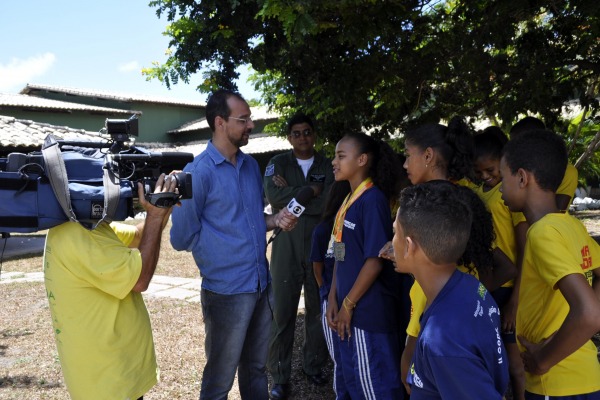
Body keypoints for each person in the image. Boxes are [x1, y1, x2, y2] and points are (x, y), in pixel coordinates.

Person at [169, 90, 298, 400]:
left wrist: (274, 220)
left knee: (256, 369)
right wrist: (218, 250)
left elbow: (251, 218)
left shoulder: (251, 166)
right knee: (219, 381)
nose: (250, 124)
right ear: (220, 122)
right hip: (225, 292)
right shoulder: (196, 174)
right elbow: (181, 238)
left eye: (249, 118)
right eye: (244, 119)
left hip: (260, 283)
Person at [380, 116, 502, 394]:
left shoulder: (420, 203)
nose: (404, 164)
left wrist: (409, 350)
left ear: (428, 155)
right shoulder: (465, 198)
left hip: (431, 318)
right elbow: (500, 263)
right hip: (463, 311)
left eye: (408, 155)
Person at [44, 173, 180, 399]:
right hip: (107, 383)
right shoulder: (78, 235)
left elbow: (138, 236)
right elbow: (140, 280)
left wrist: (163, 206)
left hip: (109, 375)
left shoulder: (83, 227)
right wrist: (155, 216)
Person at [500, 129, 600, 399]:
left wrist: (543, 359)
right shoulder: (571, 225)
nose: (499, 188)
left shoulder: (542, 233)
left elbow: (590, 313)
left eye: (502, 178)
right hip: (585, 374)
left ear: (521, 178)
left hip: (555, 384)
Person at [392, 181, 509, 398]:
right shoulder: (471, 287)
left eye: (394, 233)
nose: (392, 241)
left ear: (409, 246)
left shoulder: (443, 343)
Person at [326, 131, 408, 399]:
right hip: (350, 308)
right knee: (357, 384)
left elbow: (374, 261)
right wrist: (333, 296)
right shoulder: (349, 200)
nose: (334, 162)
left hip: (367, 313)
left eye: (341, 156)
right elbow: (340, 251)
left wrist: (348, 304)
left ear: (362, 160)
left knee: (376, 386)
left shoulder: (372, 200)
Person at [263, 113, 334, 399]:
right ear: (289, 137)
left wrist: (298, 195)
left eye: (307, 131)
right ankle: (279, 376)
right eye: (296, 133)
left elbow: (331, 199)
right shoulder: (277, 163)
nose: (302, 137)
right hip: (286, 248)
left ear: (314, 134)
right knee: (282, 312)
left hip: (319, 248)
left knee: (317, 310)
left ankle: (313, 365)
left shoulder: (328, 164)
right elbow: (273, 197)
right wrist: (310, 190)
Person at [474, 131, 527, 400]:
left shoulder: (509, 196)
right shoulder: (477, 191)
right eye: (479, 171)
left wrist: (514, 302)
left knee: (514, 360)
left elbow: (525, 246)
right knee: (493, 357)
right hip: (487, 284)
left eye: (490, 170)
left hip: (508, 286)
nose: (485, 176)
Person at [309, 180, 351, 398]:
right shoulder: (324, 229)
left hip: (343, 296)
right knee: (339, 357)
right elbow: (318, 266)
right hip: (331, 296)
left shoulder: (342, 228)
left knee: (346, 353)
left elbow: (339, 259)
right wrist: (326, 294)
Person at [510, 116, 578, 212]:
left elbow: (555, 212)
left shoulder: (567, 171)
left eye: (517, 144)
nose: (513, 150)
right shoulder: (516, 169)